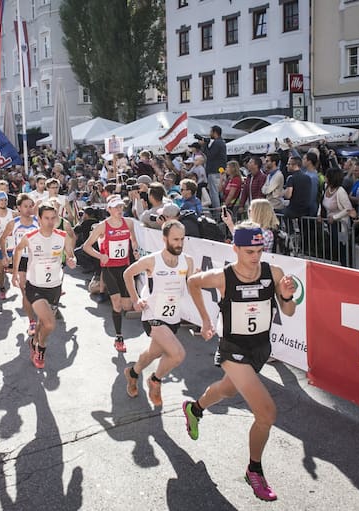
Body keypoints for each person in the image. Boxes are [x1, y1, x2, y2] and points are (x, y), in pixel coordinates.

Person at [183, 222, 298, 502]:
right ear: (234, 249)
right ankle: (254, 470)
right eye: (249, 251)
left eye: (260, 250)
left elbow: (290, 311)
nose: (256, 257)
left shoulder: (274, 273)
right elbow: (193, 282)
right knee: (267, 414)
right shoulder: (224, 276)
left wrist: (286, 294)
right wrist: (206, 320)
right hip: (232, 348)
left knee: (227, 390)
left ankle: (194, 408)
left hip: (259, 348)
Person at [122, 220, 194, 406]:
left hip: (172, 316)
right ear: (164, 239)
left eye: (182, 239)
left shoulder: (188, 261)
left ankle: (132, 373)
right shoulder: (152, 260)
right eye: (175, 239)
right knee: (178, 354)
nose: (179, 243)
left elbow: (189, 284)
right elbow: (128, 274)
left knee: (153, 353)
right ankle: (155, 380)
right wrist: (136, 299)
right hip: (152, 315)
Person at [12, 204, 76, 369]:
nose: (49, 221)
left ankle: (34, 341)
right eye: (46, 218)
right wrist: (14, 273)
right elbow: (17, 251)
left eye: (53, 218)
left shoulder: (63, 236)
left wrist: (71, 260)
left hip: (54, 287)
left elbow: (71, 254)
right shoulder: (30, 236)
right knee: (50, 324)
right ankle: (41, 347)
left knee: (43, 320)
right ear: (39, 219)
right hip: (35, 287)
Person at [82, 195, 141, 352]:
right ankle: (119, 337)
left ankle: (118, 332)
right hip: (109, 269)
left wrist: (135, 251)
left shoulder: (128, 223)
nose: (119, 210)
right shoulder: (102, 226)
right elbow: (86, 247)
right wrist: (100, 255)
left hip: (125, 269)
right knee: (116, 303)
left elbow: (133, 241)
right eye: (116, 207)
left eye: (121, 207)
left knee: (126, 305)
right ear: (108, 209)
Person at [0, 194, 39, 336]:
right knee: (24, 289)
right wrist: (5, 255)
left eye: (31, 206)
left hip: (37, 259)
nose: (29, 209)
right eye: (25, 206)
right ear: (19, 208)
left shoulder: (38, 221)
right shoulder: (13, 223)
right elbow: (2, 238)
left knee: (38, 289)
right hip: (21, 258)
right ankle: (32, 321)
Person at [202, 125, 227, 209]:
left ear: (215, 132)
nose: (209, 134)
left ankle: (217, 213)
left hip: (214, 171)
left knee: (214, 193)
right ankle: (222, 211)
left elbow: (210, 155)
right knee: (219, 192)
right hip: (220, 171)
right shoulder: (222, 142)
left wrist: (204, 145)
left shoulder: (217, 143)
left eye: (211, 132)